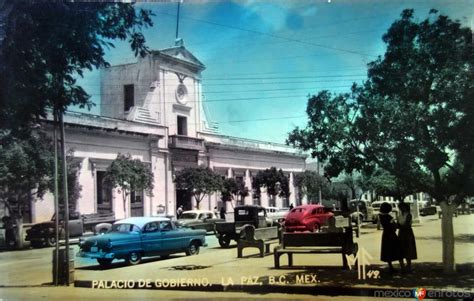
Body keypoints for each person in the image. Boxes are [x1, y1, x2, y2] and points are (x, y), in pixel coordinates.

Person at [379, 202, 403, 273]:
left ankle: (390, 267)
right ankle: (402, 266)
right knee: (397, 250)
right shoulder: (389, 217)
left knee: (387, 251)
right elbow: (394, 226)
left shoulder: (381, 216)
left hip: (385, 234)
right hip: (391, 234)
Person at [398, 202, 417, 273]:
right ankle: (402, 267)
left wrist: (398, 226)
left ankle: (409, 266)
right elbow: (398, 224)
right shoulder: (400, 215)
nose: (400, 209)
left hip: (407, 233)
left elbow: (406, 225)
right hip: (401, 233)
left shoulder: (409, 215)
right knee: (400, 249)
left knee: (408, 249)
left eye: (402, 207)